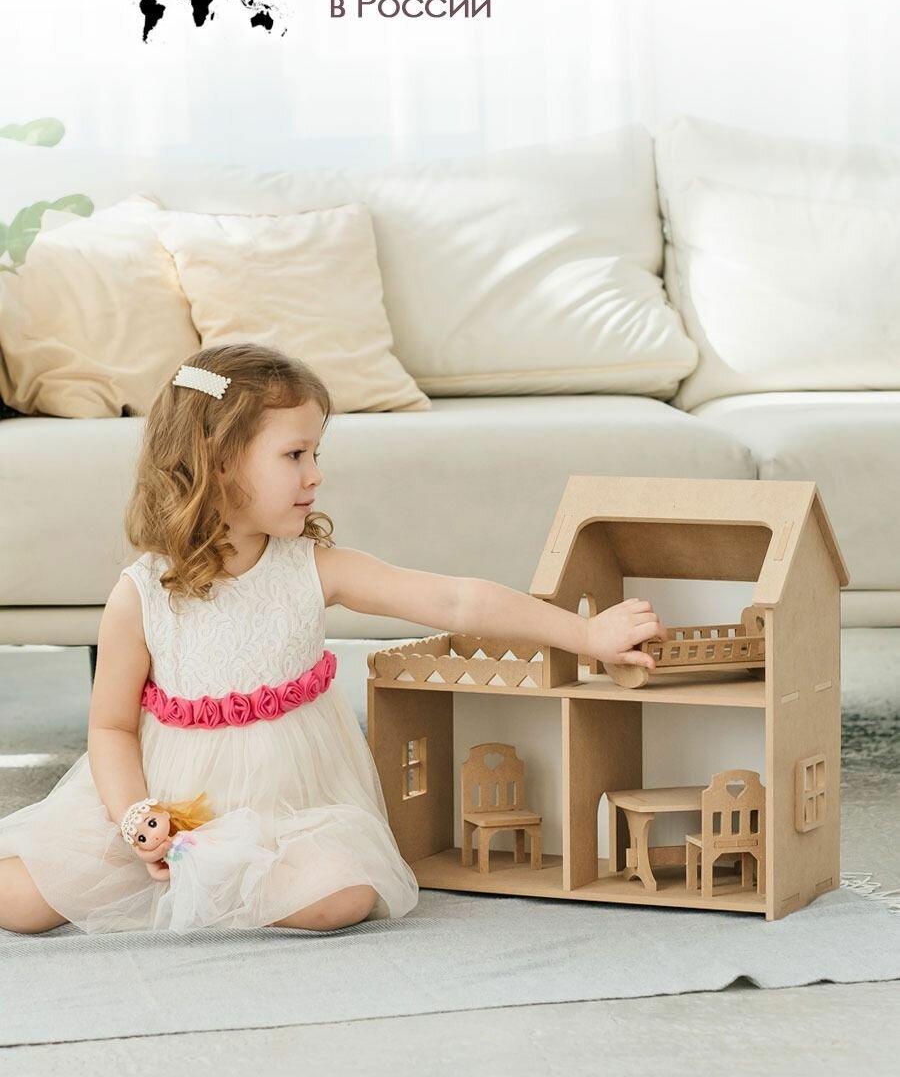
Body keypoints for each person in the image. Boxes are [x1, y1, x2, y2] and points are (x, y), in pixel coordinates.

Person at [0, 342, 668, 936]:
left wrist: (585, 633)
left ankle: (222, 884)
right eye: (295, 455)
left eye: (315, 453)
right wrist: (137, 818)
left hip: (286, 807)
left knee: (340, 895)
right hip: (170, 805)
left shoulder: (313, 570)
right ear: (219, 461)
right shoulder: (143, 594)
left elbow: (454, 599)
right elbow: (111, 727)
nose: (315, 474)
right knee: (19, 901)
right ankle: (193, 875)